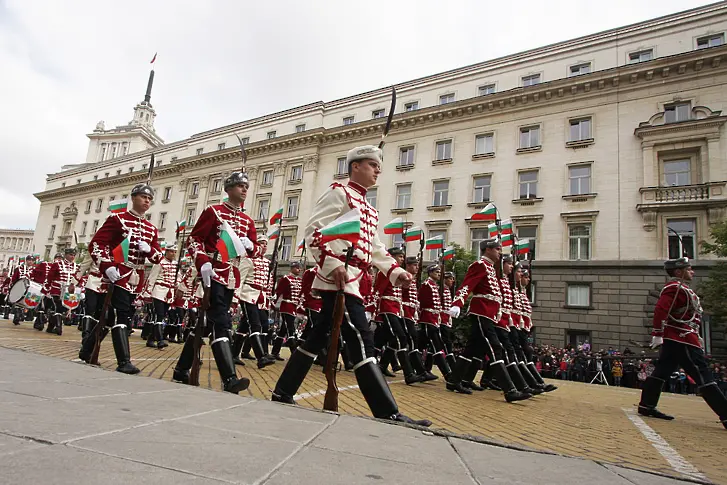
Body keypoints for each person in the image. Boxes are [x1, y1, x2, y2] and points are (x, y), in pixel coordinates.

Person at [271, 145, 431, 426]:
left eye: (378, 166)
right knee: (361, 339)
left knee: (317, 337)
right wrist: (333, 266)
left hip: (357, 280)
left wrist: (394, 271)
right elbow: (313, 232)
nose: (377, 170)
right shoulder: (339, 193)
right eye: (372, 165)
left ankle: (283, 391)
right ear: (355, 166)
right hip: (340, 280)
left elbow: (375, 247)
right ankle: (386, 411)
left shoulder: (368, 207)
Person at [172, 172, 261, 393]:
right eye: (239, 185)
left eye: (246, 186)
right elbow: (194, 240)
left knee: (207, 326)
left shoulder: (248, 220)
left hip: (231, 276)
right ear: (228, 189)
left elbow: (257, 250)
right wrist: (202, 261)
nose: (244, 189)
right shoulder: (214, 212)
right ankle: (229, 378)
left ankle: (181, 369)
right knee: (221, 321)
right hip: (212, 272)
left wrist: (250, 244)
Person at [638, 257, 727, 429]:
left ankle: (646, 405)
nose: (692, 272)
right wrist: (657, 333)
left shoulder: (683, 289)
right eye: (689, 269)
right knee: (702, 374)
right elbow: (661, 309)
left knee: (662, 371)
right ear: (679, 272)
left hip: (680, 336)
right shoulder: (674, 288)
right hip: (682, 337)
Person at [89, 183, 163, 374]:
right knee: (123, 314)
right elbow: (97, 244)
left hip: (136, 277)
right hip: (118, 272)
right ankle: (124, 361)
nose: (146, 201)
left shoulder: (151, 229)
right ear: (133, 198)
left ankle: (86, 350)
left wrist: (150, 249)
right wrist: (106, 265)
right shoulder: (118, 219)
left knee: (111, 316)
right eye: (143, 197)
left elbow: (158, 258)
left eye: (149, 199)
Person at [447, 239, 531, 402]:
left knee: (472, 349)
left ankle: (454, 380)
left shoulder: (491, 268)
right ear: (487, 250)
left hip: (489, 312)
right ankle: (510, 390)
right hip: (481, 311)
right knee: (495, 348)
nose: (500, 252)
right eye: (497, 249)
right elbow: (467, 285)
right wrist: (457, 303)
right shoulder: (479, 265)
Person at [372, 247, 424, 385]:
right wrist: (373, 310)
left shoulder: (397, 271)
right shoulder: (386, 271)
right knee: (400, 337)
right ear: (392, 257)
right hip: (387, 307)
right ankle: (409, 374)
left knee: (392, 340)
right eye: (399, 256)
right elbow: (378, 291)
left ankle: (382, 365)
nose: (402, 259)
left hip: (396, 308)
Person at [232, 234, 276, 368]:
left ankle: (234, 354)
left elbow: (268, 283)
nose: (264, 246)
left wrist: (269, 299)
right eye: (261, 243)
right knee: (255, 324)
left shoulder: (267, 262)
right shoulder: (247, 260)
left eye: (265, 244)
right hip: (248, 294)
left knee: (251, 325)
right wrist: (235, 298)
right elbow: (239, 280)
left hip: (260, 297)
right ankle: (261, 357)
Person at [144, 244, 178, 349]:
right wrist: (147, 293)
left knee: (162, 316)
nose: (173, 254)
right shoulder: (159, 263)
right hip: (158, 291)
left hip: (169, 293)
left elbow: (178, 278)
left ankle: (150, 339)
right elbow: (151, 278)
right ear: (166, 251)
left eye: (175, 252)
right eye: (171, 251)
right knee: (158, 315)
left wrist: (177, 284)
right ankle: (160, 340)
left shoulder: (176, 264)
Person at [270, 261, 303, 359]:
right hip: (286, 306)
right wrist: (273, 303)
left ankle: (275, 352)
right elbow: (278, 291)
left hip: (294, 306)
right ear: (292, 268)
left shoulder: (299, 280)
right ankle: (294, 353)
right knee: (290, 328)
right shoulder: (286, 279)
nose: (299, 269)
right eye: (297, 267)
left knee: (283, 331)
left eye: (299, 268)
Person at [45, 248, 81, 336]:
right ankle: (59, 327)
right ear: (66, 255)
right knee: (58, 307)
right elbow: (50, 277)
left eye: (73, 255)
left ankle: (50, 328)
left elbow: (79, 278)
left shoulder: (77, 266)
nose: (72, 257)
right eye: (70, 255)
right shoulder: (57, 264)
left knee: (62, 309)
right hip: (57, 289)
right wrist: (47, 288)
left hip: (69, 291)